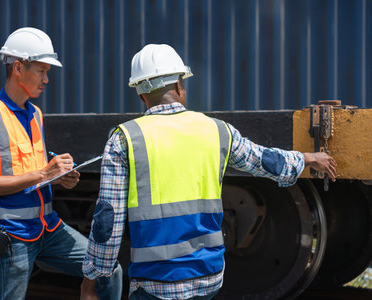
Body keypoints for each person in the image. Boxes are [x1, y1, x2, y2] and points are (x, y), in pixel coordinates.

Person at [80, 44, 337, 300]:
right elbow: (263, 160)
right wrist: (306, 158)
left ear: (141, 96)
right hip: (208, 278)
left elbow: (107, 220)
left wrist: (93, 280)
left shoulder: (125, 139)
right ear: (180, 86)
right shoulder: (216, 130)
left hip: (156, 281)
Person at [0, 27, 122, 300]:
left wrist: (59, 177)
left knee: (108, 270)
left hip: (47, 228)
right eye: (41, 70)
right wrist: (44, 173)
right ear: (17, 68)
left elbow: (32, 174)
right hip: (10, 236)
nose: (47, 79)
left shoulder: (35, 114)